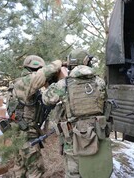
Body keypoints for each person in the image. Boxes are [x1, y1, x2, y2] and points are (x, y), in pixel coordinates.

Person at [42, 49, 113, 178]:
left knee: (74, 173)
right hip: (98, 135)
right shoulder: (100, 82)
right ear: (87, 62)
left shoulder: (63, 85)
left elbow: (46, 99)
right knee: (97, 171)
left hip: (73, 139)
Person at [6, 55, 63, 177]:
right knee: (35, 172)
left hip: (20, 134)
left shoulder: (20, 84)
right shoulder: (24, 82)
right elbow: (43, 74)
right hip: (26, 136)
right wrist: (59, 63)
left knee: (20, 170)